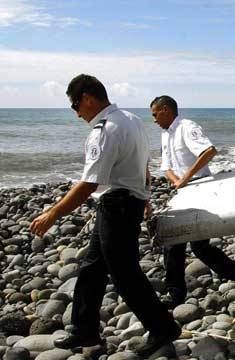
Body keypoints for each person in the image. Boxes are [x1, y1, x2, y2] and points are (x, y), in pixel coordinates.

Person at [29, 74, 181, 357]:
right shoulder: (131, 120)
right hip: (124, 202)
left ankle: (162, 327)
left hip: (118, 205)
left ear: (87, 98)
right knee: (92, 267)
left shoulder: (106, 128)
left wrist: (53, 214)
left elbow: (88, 184)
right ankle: (83, 328)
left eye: (76, 106)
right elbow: (142, 163)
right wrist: (144, 195)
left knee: (125, 274)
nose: (77, 114)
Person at [150, 95, 235, 307]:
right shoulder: (166, 135)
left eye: (155, 114)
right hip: (183, 192)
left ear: (166, 110)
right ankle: (176, 294)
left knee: (199, 247)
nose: (154, 120)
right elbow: (166, 166)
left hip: (200, 188)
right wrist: (177, 181)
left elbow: (209, 151)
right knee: (175, 243)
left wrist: (185, 179)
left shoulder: (186, 127)